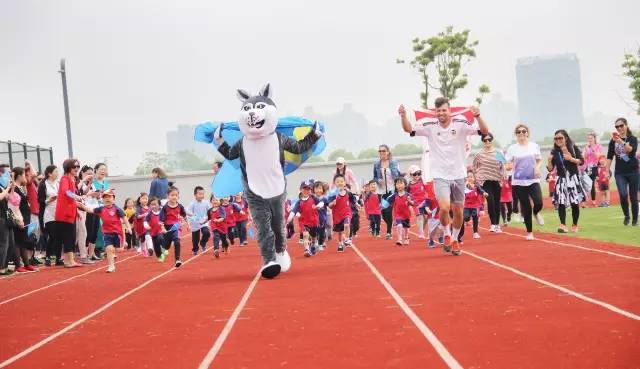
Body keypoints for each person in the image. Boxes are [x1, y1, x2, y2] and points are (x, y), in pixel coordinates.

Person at [399, 97, 489, 255]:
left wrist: (478, 116)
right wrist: (403, 116)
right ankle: (446, 233)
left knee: (459, 210)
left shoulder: (460, 123)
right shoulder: (430, 126)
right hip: (440, 175)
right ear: (435, 112)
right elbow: (409, 129)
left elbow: (484, 131)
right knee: (445, 207)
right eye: (438, 110)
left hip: (459, 175)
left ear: (449, 111)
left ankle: (455, 239)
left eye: (444, 110)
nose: (441, 113)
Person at [505, 124, 544, 240]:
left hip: (533, 180)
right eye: (518, 132)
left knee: (538, 203)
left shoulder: (534, 146)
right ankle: (529, 232)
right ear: (516, 135)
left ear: (527, 133)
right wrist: (508, 166)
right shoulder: (512, 148)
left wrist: (537, 168)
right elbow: (507, 164)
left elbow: (539, 159)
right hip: (518, 182)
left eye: (523, 131)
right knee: (526, 207)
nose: (521, 133)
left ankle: (536, 213)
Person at [83, 189, 131, 273]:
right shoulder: (101, 209)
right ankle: (111, 266)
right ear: (102, 199)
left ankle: (123, 243)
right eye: (105, 197)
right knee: (109, 248)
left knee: (119, 250)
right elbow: (90, 210)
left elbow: (124, 218)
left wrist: (129, 227)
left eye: (109, 197)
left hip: (117, 233)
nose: (107, 199)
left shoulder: (117, 209)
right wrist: (81, 206)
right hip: (107, 233)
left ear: (114, 199)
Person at [546, 130, 585, 233]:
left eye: (560, 138)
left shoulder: (572, 147)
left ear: (565, 138)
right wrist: (549, 161)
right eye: (556, 138)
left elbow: (581, 161)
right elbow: (550, 169)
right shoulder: (554, 151)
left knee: (574, 202)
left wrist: (571, 159)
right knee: (561, 202)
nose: (558, 140)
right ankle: (562, 225)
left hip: (573, 178)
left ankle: (574, 225)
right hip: (561, 179)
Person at [606, 118, 639, 226]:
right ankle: (627, 216)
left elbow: (630, 150)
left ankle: (634, 220)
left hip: (633, 171)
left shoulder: (633, 138)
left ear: (626, 125)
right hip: (620, 172)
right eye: (617, 127)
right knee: (623, 194)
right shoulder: (612, 141)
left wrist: (620, 141)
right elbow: (609, 157)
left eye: (621, 126)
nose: (619, 128)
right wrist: (607, 170)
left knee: (633, 196)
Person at [52, 158, 83, 267]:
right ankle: (68, 261)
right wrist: (77, 197)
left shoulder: (72, 179)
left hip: (70, 213)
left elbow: (71, 198)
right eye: (74, 167)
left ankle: (70, 260)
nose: (76, 169)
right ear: (68, 167)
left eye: (78, 167)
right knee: (68, 237)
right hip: (64, 214)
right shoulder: (65, 178)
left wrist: (76, 210)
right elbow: (67, 192)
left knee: (71, 237)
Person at [472, 132, 505, 233]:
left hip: (496, 180)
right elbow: (474, 167)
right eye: (485, 140)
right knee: (490, 201)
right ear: (482, 142)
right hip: (485, 181)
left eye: (489, 140)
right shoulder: (479, 154)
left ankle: (497, 225)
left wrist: (503, 179)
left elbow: (503, 166)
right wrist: (477, 178)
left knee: (497, 202)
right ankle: (493, 224)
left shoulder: (498, 153)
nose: (487, 142)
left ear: (492, 140)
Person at [372, 144, 402, 240]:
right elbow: (375, 177)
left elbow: (398, 174)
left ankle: (389, 231)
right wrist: (377, 181)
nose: (382, 153)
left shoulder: (393, 162)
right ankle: (390, 224)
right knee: (384, 213)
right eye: (380, 151)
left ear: (388, 152)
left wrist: (398, 179)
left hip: (392, 190)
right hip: (381, 191)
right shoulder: (376, 164)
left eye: (384, 151)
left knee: (388, 210)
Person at [288, 180, 324, 257]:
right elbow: (294, 211)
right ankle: (307, 249)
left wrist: (318, 206)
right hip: (304, 223)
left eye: (308, 189)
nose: (306, 191)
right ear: (301, 189)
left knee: (314, 236)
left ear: (310, 190)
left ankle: (314, 243)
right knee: (305, 234)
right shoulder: (299, 202)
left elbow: (321, 203)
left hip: (314, 222)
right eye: (304, 188)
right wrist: (290, 217)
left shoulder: (313, 198)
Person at [158, 186, 190, 267]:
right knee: (167, 246)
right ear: (168, 196)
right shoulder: (165, 208)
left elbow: (185, 216)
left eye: (176, 195)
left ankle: (177, 260)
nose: (174, 197)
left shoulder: (180, 206)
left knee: (177, 241)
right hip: (167, 228)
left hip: (176, 227)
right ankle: (163, 253)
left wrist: (188, 225)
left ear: (178, 196)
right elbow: (161, 220)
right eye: (172, 195)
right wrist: (163, 228)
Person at [327, 174, 359, 253]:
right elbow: (329, 205)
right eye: (337, 182)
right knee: (340, 232)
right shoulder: (333, 194)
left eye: (341, 181)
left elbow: (353, 200)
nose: (340, 183)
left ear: (345, 182)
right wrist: (332, 203)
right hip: (337, 215)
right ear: (335, 183)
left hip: (347, 212)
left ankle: (347, 239)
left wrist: (357, 204)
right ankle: (340, 243)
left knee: (347, 224)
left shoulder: (348, 193)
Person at [459, 171, 488, 241]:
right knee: (466, 217)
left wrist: (484, 193)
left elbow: (481, 190)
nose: (470, 178)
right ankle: (467, 220)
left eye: (471, 177)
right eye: (468, 177)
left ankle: (475, 233)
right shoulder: (464, 186)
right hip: (466, 206)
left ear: (474, 178)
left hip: (475, 206)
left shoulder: (476, 186)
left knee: (475, 218)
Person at [386, 177, 414, 246]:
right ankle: (399, 239)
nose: (399, 185)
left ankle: (406, 237)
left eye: (401, 183)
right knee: (399, 225)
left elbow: (413, 203)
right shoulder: (394, 195)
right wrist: (382, 206)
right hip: (398, 214)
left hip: (406, 214)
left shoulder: (408, 195)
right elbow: (387, 200)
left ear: (405, 185)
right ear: (395, 185)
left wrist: (410, 201)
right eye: (397, 184)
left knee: (406, 227)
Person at [407, 165, 428, 239]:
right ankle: (421, 233)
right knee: (419, 217)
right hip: (416, 204)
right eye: (415, 174)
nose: (417, 175)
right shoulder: (409, 185)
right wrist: (409, 201)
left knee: (426, 218)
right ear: (411, 175)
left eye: (419, 173)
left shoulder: (422, 180)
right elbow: (407, 194)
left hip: (425, 202)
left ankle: (422, 229)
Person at [188, 186, 211, 255]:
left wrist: (206, 218)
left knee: (207, 232)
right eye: (200, 194)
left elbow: (210, 211)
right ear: (195, 195)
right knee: (195, 240)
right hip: (195, 223)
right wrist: (193, 217)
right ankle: (195, 249)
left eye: (203, 194)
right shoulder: (192, 204)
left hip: (204, 222)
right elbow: (188, 212)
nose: (201, 196)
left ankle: (203, 243)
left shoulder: (206, 203)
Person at [583, 132, 603, 207]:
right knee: (585, 184)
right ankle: (584, 202)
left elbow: (598, 156)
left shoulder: (598, 146)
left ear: (594, 138)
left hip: (594, 167)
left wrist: (592, 148)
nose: (589, 140)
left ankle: (593, 201)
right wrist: (586, 149)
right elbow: (584, 157)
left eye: (591, 138)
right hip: (587, 167)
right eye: (588, 138)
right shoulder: (586, 146)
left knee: (592, 185)